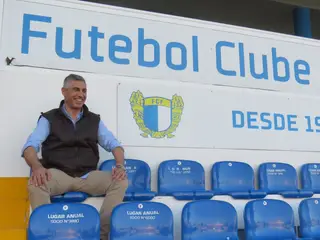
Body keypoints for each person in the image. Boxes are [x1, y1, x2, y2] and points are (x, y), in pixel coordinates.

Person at [22, 74, 128, 240]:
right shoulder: (49, 118)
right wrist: (37, 167)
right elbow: (29, 147)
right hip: (58, 175)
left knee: (120, 181)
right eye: (76, 89)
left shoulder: (94, 120)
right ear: (64, 92)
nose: (81, 94)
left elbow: (115, 145)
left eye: (84, 90)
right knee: (35, 184)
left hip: (87, 176)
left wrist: (120, 165)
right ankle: (47, 234)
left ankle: (102, 234)